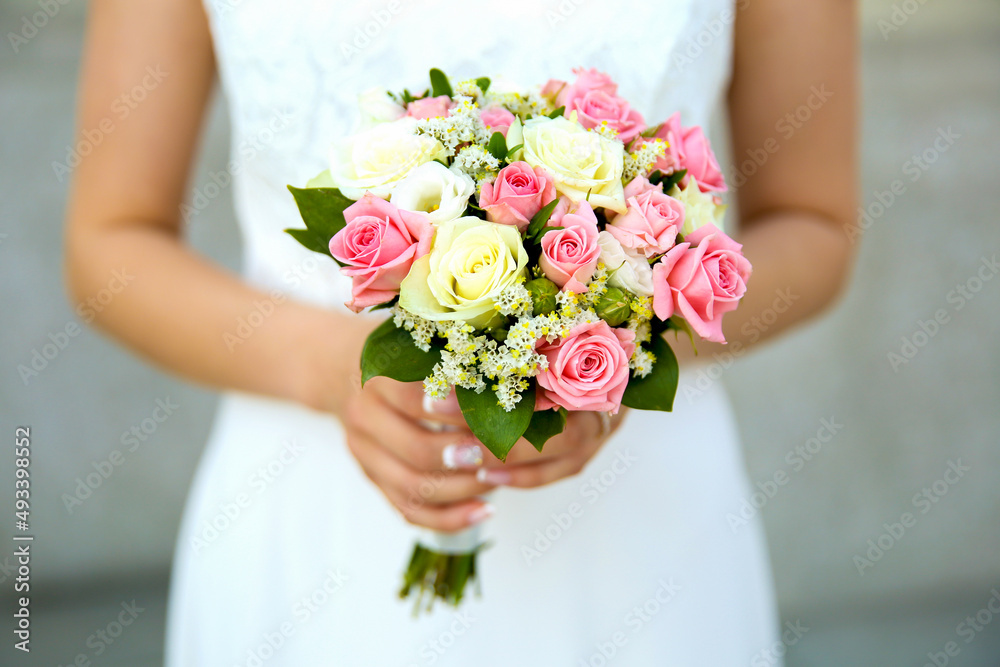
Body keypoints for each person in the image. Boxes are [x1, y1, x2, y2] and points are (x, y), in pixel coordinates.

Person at [65, 0, 856, 664]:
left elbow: (813, 223)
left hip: (641, 524)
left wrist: (615, 347)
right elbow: (110, 241)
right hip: (307, 501)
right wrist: (338, 366)